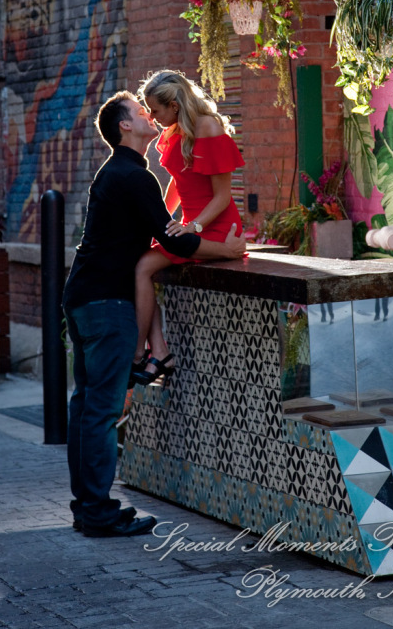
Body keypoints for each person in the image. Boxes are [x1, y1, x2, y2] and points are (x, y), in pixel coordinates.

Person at [62, 90, 246, 538]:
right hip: (107, 304)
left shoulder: (119, 174)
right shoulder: (132, 177)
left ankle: (88, 507)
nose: (149, 116)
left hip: (86, 296)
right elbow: (177, 240)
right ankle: (98, 512)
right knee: (102, 411)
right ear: (126, 126)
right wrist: (230, 249)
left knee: (86, 406)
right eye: (140, 111)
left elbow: (164, 235)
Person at [132, 70, 244, 386]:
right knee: (141, 266)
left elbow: (223, 197)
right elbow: (179, 184)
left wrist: (192, 226)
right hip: (191, 226)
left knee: (142, 268)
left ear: (175, 105)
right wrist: (163, 219)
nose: (152, 117)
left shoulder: (208, 127)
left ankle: (140, 352)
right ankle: (158, 351)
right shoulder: (175, 131)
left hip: (217, 226)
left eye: (156, 110)